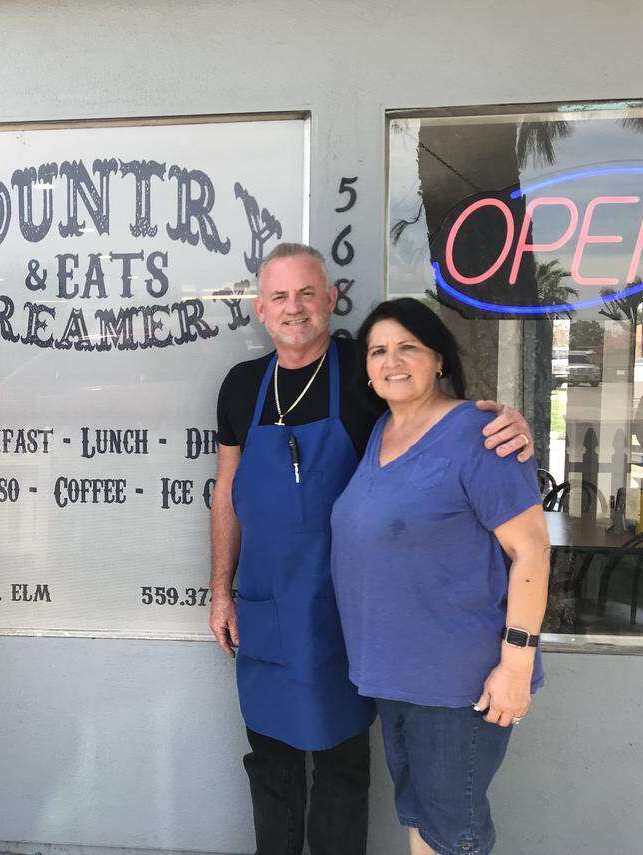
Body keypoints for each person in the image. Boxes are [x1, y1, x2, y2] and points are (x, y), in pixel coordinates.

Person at [208, 244, 534, 855]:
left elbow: (435, 418)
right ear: (260, 309)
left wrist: (503, 422)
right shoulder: (241, 386)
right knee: (270, 762)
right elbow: (226, 490)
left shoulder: (363, 372)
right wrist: (220, 590)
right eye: (279, 296)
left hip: (346, 613)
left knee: (342, 767)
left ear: (331, 300)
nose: (294, 308)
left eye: (308, 293)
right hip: (264, 607)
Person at [330, 298, 549, 855]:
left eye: (409, 347)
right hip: (394, 675)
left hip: (458, 684)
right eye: (378, 351)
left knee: (456, 836)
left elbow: (531, 551)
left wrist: (516, 666)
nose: (392, 361)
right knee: (422, 819)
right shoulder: (381, 431)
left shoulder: (482, 434)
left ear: (439, 359)